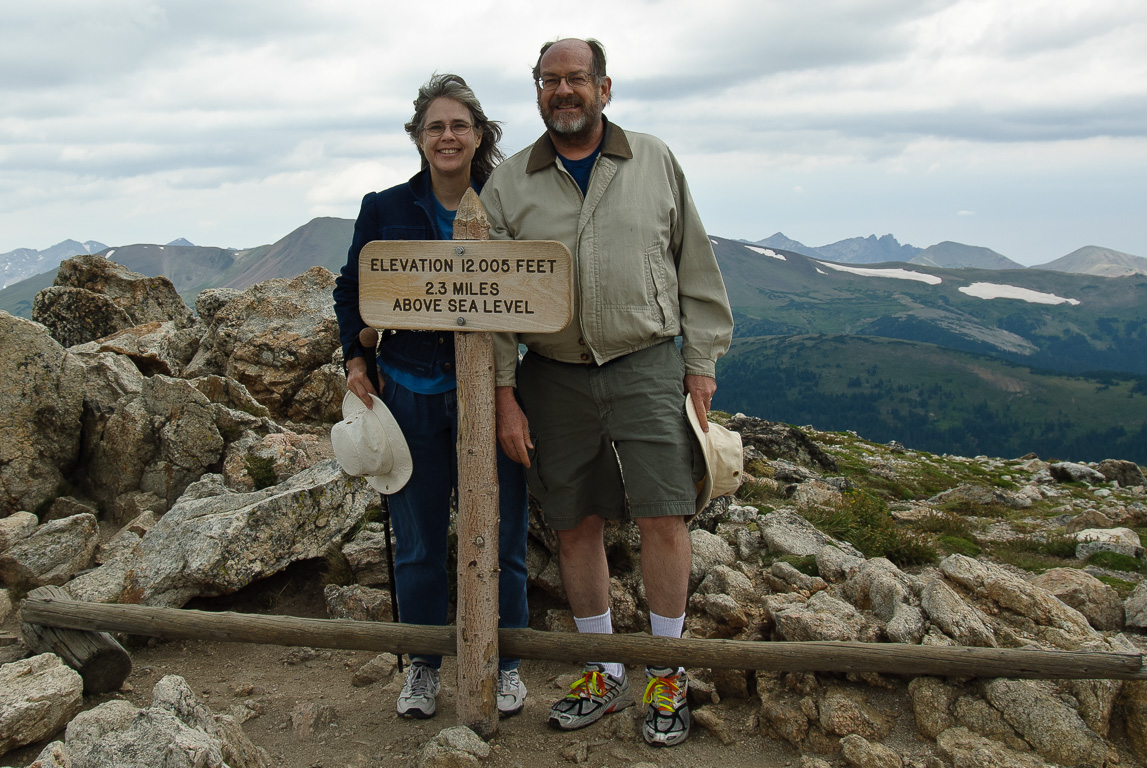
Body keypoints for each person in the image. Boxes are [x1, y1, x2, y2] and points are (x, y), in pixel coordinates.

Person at [480, 39, 733, 747]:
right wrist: (505, 395)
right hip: (551, 374)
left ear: (604, 88)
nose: (563, 91)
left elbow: (695, 265)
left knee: (664, 514)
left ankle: (666, 670)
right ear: (536, 90)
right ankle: (603, 666)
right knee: (573, 522)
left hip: (646, 362)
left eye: (576, 80)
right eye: (549, 81)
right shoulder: (507, 184)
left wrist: (701, 361)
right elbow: (496, 307)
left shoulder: (652, 160)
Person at [332, 73, 530, 720]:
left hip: (493, 393)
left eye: (459, 125)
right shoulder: (384, 207)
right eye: (435, 126)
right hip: (411, 390)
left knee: (502, 539)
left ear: (479, 136)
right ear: (418, 137)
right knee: (416, 542)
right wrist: (355, 358)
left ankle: (504, 665)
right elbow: (350, 291)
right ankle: (421, 666)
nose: (447, 136)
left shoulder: (508, 205)